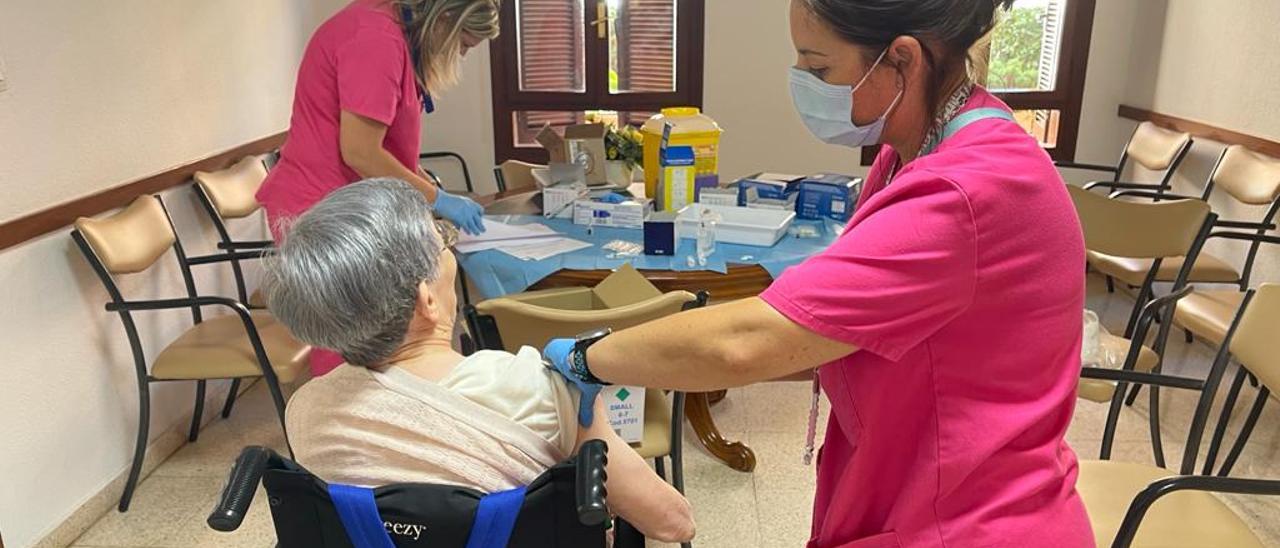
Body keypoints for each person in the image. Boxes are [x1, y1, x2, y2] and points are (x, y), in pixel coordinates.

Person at [544, 0, 1094, 546]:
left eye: (819, 66)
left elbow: (746, 342)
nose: (804, 81)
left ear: (901, 59)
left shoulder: (966, 192)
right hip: (915, 481)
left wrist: (587, 357)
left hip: (970, 521)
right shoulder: (914, 152)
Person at [263, 179, 696, 543]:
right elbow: (672, 522)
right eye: (443, 245)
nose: (451, 254)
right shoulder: (535, 388)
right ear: (425, 299)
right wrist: (591, 412)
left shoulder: (308, 410)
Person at [258, 0, 495, 375]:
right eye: (463, 45)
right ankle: (344, 425)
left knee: (380, 329)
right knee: (349, 333)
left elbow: (387, 140)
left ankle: (381, 415)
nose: (460, 56)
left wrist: (423, 182)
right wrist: (435, 198)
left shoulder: (396, 36)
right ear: (445, 18)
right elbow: (360, 152)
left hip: (355, 199)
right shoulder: (375, 40)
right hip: (322, 205)